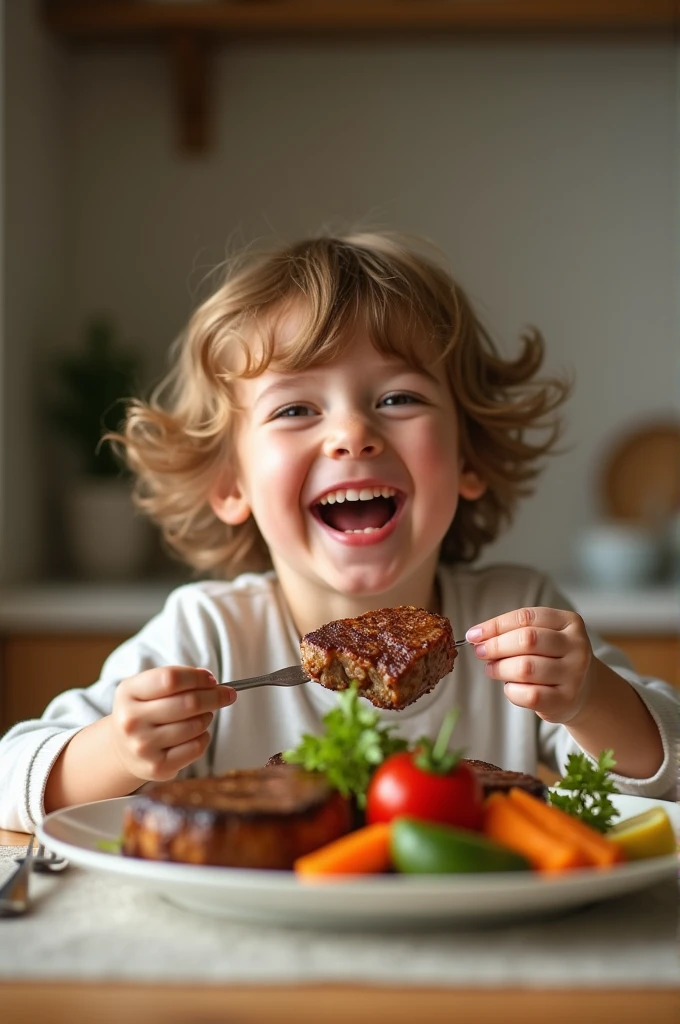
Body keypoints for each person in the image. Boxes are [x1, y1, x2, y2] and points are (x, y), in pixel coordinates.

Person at [0, 233, 676, 832]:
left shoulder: (516, 616)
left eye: (398, 399)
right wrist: (117, 750)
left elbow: (663, 777)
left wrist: (591, 700)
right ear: (230, 483)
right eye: (295, 408)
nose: (353, 433)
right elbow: (12, 777)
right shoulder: (208, 635)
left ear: (469, 457)